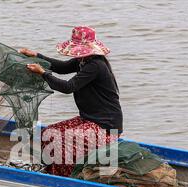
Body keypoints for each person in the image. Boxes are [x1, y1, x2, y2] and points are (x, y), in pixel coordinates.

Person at [20, 26, 123, 177]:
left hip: (105, 126)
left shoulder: (95, 65)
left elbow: (68, 87)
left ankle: (68, 177)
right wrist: (37, 55)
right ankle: (51, 172)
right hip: (88, 119)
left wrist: (43, 73)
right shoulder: (83, 61)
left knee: (63, 140)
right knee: (47, 133)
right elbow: (61, 67)